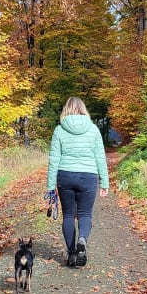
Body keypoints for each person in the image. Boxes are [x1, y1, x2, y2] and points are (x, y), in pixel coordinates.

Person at [46, 97, 109, 267]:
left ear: (66, 110)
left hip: (65, 176)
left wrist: (51, 187)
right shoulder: (93, 129)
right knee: (85, 215)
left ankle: (72, 254)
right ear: (84, 110)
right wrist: (104, 182)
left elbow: (54, 160)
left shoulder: (59, 130)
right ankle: (82, 239)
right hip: (88, 176)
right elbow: (100, 157)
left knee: (68, 215)